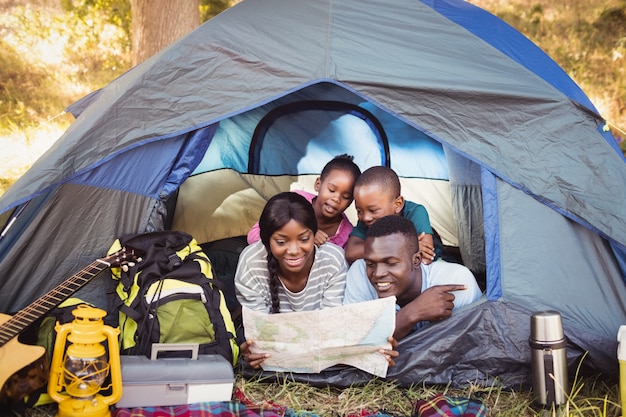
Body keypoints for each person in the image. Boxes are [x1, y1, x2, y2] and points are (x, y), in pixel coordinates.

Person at [235, 192, 398, 368]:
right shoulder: (251, 263)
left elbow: (332, 326)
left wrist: (372, 348)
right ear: (267, 241)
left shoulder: (333, 261)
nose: (294, 250)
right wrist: (255, 350)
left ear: (315, 234)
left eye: (304, 239)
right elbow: (262, 335)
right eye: (281, 242)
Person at [343, 215, 482, 341]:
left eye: (390, 263)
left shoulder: (455, 282)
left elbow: (465, 352)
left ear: (416, 260)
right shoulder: (360, 272)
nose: (378, 273)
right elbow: (348, 342)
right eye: (371, 263)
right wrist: (411, 313)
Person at [247, 154, 361, 249]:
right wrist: (304, 236)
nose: (336, 199)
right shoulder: (294, 202)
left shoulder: (347, 235)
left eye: (346, 196)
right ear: (318, 184)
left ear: (352, 201)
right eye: (331, 190)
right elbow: (253, 236)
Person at [344, 165, 440, 264]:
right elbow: (351, 253)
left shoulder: (415, 212)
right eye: (359, 211)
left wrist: (375, 249)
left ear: (397, 204)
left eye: (373, 210)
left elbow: (425, 259)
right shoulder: (367, 220)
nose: (365, 218)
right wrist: (398, 245)